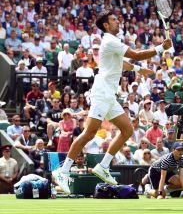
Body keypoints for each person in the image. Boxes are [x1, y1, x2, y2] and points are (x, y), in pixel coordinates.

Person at [52, 10, 172, 194]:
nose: (118, 21)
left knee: (127, 130)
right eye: (114, 20)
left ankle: (103, 166)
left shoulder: (111, 43)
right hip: (101, 93)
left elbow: (123, 62)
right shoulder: (110, 40)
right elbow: (136, 54)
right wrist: (161, 48)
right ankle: (63, 170)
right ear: (106, 25)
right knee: (90, 132)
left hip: (109, 96)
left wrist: (139, 70)